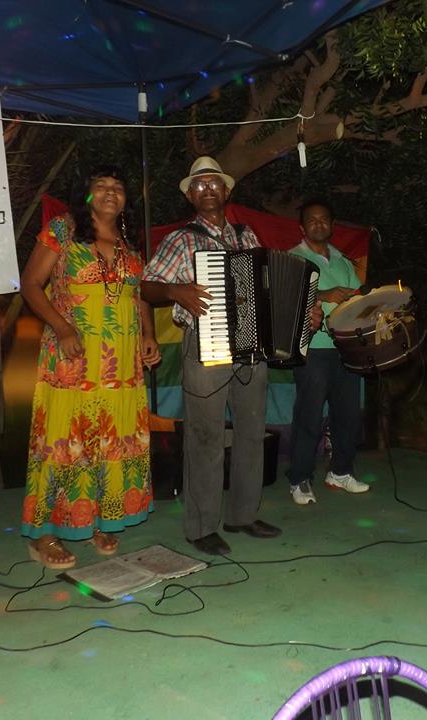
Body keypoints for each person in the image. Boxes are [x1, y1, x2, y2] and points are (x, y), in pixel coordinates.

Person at [141, 156, 302, 555]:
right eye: (200, 185)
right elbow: (145, 286)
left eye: (215, 183)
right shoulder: (180, 240)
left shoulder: (247, 237)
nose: (208, 189)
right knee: (205, 437)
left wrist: (299, 310)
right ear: (190, 196)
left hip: (252, 349)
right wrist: (175, 291)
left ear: (227, 191)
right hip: (205, 346)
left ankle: (243, 515)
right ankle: (201, 527)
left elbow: (267, 288)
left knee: (251, 432)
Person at [20, 166, 160, 570]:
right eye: (101, 186)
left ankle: (98, 520)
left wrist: (149, 334)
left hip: (121, 364)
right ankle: (44, 534)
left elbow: (140, 295)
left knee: (110, 440)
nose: (110, 192)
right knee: (64, 440)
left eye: (118, 187)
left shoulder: (130, 242)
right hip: (74, 357)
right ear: (87, 195)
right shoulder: (62, 231)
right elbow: (31, 284)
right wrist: (62, 327)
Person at [286, 198, 369, 505]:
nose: (318, 224)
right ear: (302, 227)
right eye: (312, 220)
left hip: (346, 348)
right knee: (309, 415)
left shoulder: (344, 261)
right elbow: (285, 298)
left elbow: (357, 300)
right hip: (313, 348)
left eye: (323, 219)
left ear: (332, 225)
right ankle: (299, 478)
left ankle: (341, 471)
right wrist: (323, 293)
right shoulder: (293, 258)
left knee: (348, 414)